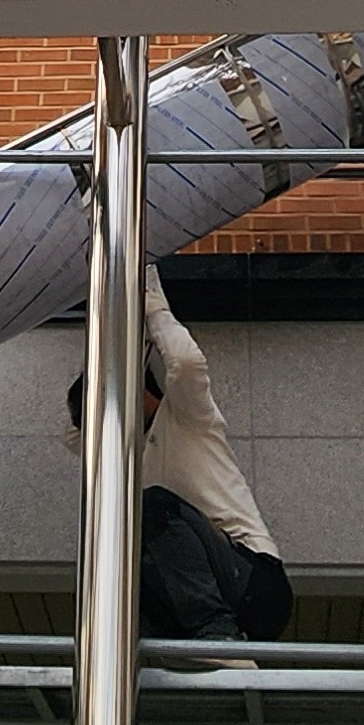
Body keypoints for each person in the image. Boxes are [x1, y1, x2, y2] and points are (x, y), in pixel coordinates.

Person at [66, 266, 293, 643]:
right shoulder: (127, 460)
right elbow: (75, 439)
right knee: (116, 544)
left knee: (150, 507)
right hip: (201, 598)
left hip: (253, 583)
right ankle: (143, 654)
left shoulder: (188, 417)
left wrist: (152, 306)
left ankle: (217, 636)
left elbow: (186, 363)